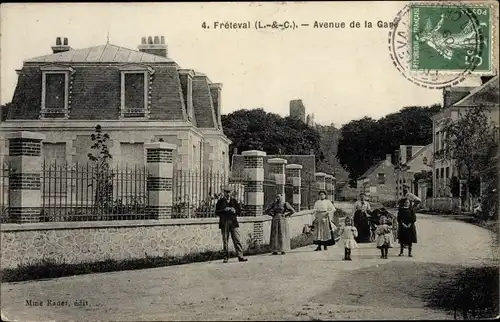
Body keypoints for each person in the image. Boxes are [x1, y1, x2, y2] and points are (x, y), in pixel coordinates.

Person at [215, 186, 248, 263]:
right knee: (225, 240)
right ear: (224, 192)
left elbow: (239, 211)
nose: (228, 194)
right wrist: (224, 210)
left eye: (229, 192)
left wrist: (234, 210)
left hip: (233, 222)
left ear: (231, 193)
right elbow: (216, 212)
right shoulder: (220, 201)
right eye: (226, 192)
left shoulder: (234, 201)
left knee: (237, 239)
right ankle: (225, 257)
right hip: (224, 222)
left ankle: (240, 256)